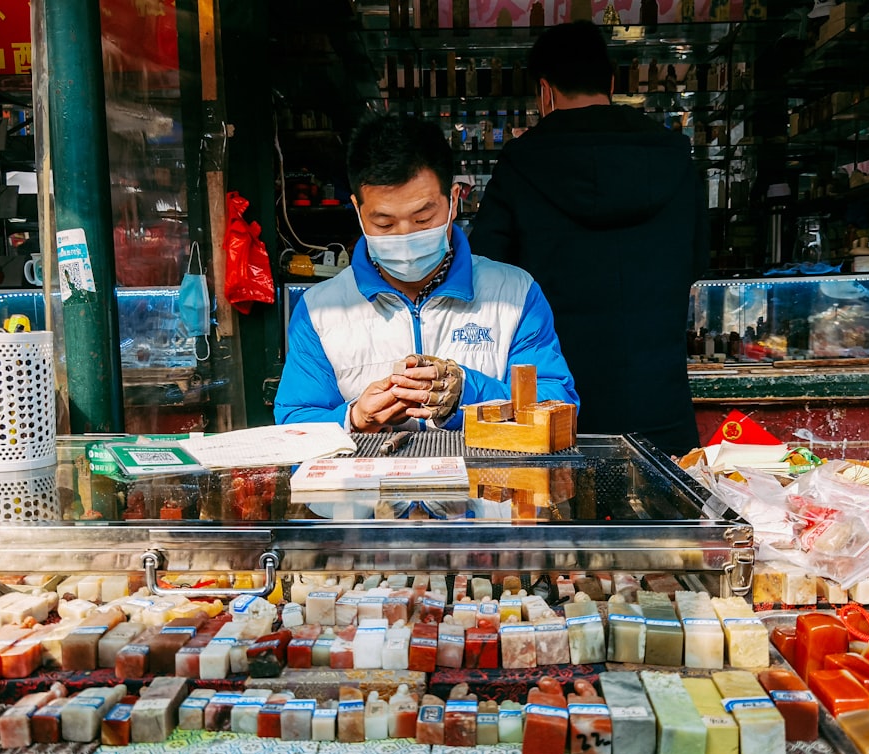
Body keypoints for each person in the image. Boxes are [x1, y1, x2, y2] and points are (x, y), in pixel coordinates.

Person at [468, 20, 708, 456]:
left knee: (562, 519)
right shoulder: (673, 155)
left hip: (555, 406)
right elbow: (697, 261)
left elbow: (487, 275)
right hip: (660, 400)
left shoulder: (521, 163)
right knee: (666, 520)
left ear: (545, 91)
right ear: (611, 83)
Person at [274, 114, 577, 432]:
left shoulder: (515, 295)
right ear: (358, 211)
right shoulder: (321, 310)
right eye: (384, 223)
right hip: (371, 481)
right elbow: (295, 424)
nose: (404, 237)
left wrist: (465, 392)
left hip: (484, 480)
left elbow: (556, 406)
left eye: (423, 219)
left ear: (454, 201)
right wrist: (354, 418)